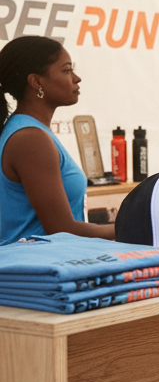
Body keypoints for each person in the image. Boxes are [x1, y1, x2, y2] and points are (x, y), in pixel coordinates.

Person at [0, 36, 115, 243]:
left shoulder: (31, 132)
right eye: (67, 70)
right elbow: (62, 230)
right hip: (32, 270)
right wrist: (133, 226)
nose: (76, 78)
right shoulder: (30, 139)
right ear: (36, 82)